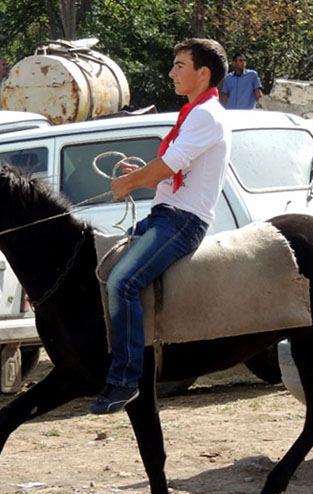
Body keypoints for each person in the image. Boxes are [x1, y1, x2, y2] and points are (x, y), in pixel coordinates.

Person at [89, 38, 231, 415]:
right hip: (167, 214)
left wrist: (127, 185)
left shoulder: (205, 115)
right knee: (106, 273)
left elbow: (169, 166)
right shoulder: (194, 113)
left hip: (182, 221)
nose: (172, 72)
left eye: (180, 65)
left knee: (123, 281)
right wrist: (141, 176)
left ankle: (125, 381)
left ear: (203, 73)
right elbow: (174, 172)